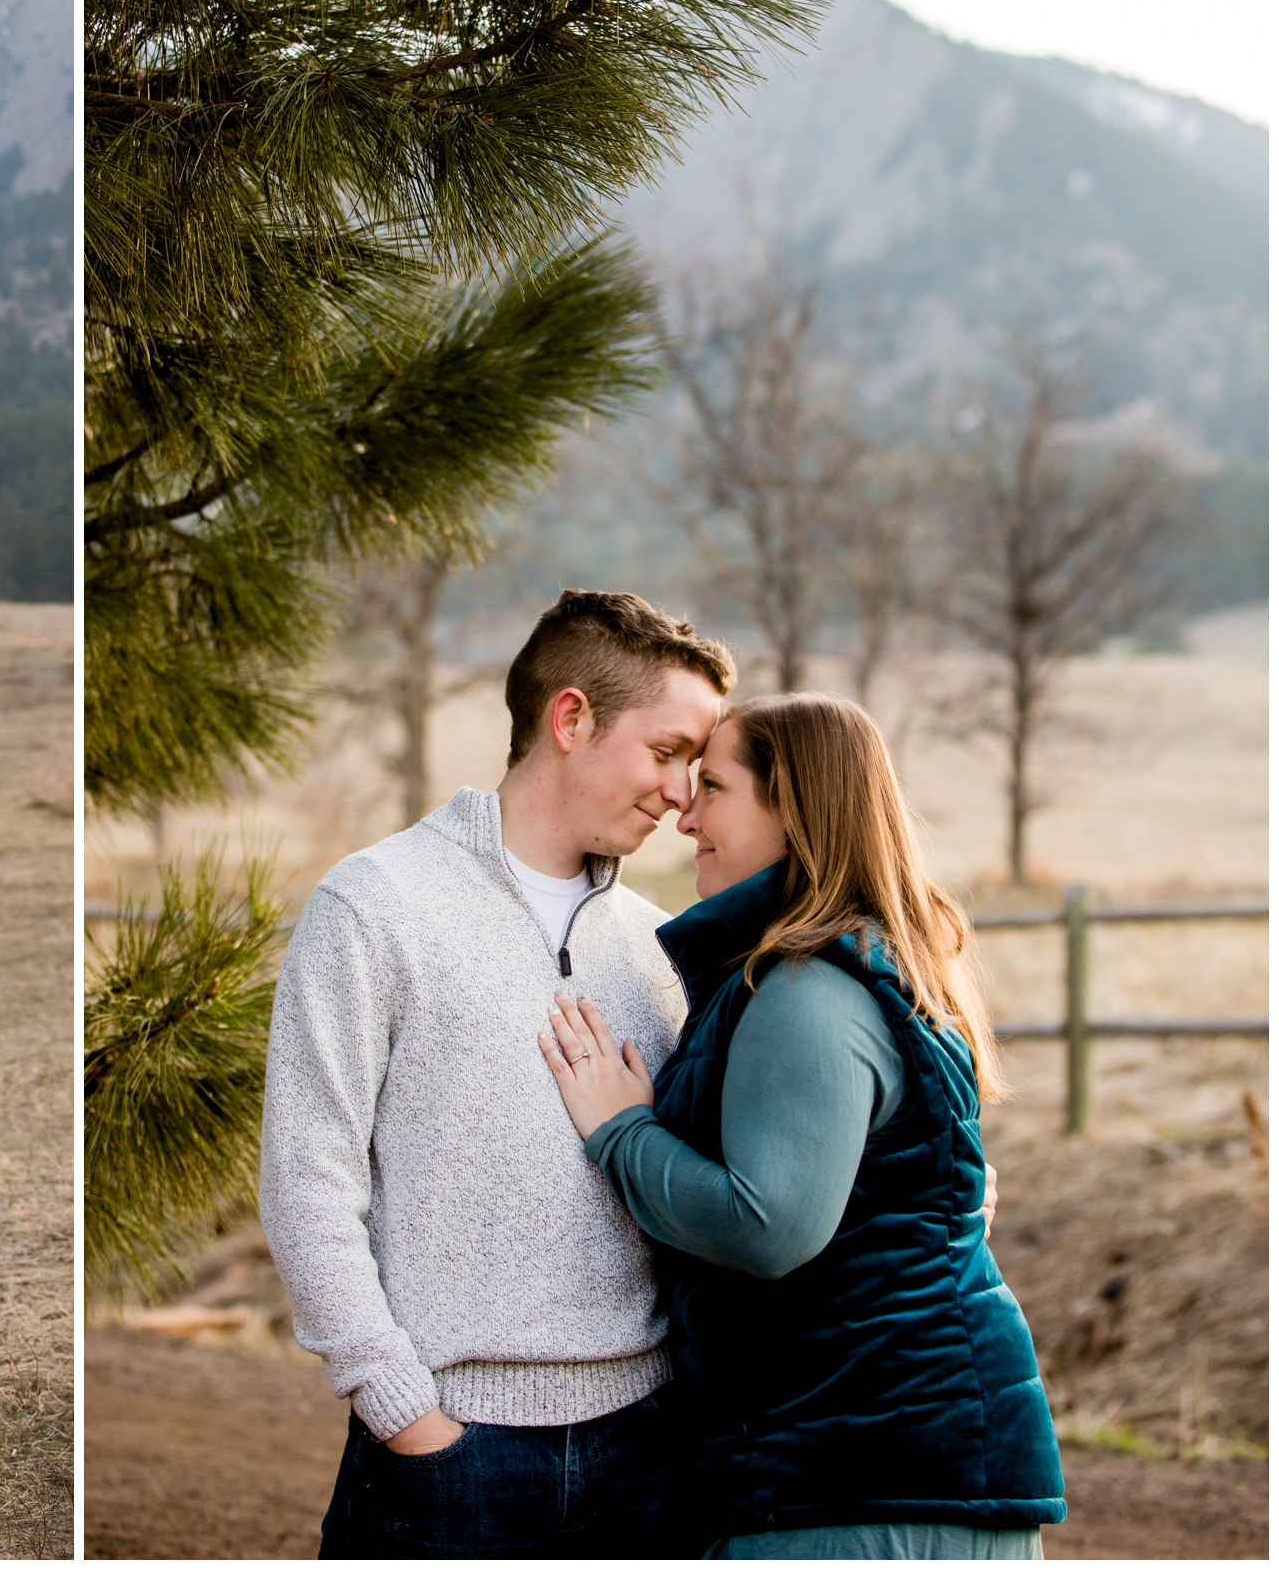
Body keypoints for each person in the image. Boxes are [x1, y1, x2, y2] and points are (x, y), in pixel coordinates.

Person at [260, 589, 737, 1558]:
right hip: (446, 1455)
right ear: (571, 718)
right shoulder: (374, 905)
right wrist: (406, 1415)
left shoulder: (659, 947)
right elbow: (308, 1181)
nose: (682, 793)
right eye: (667, 752)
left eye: (695, 764)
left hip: (649, 1453)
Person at [540, 692, 1065, 1557]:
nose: (685, 815)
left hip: (862, 1473)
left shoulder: (809, 989)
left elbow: (767, 1225)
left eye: (714, 788)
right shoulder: (854, 965)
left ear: (795, 812)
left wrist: (622, 1131)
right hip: (879, 1461)